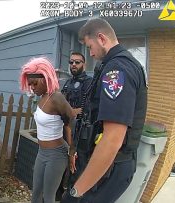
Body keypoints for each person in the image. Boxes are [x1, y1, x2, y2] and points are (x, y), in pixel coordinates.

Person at [61, 18, 148, 203]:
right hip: (103, 165)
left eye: (90, 46)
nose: (90, 53)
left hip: (110, 169)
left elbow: (112, 140)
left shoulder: (117, 69)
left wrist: (76, 192)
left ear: (101, 38)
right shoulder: (111, 65)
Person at [20, 57, 76, 203]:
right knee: (36, 194)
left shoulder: (56, 97)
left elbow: (72, 120)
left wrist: (72, 152)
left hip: (56, 154)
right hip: (42, 152)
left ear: (45, 78)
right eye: (30, 84)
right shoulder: (42, 96)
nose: (32, 87)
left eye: (35, 83)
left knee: (49, 196)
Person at [60, 52, 92, 191]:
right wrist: (71, 111)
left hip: (80, 131)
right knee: (62, 161)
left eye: (77, 62)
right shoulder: (68, 83)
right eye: (71, 62)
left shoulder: (89, 82)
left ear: (84, 64)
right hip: (65, 128)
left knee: (76, 166)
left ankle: (73, 194)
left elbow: (88, 108)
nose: (73, 64)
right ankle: (59, 192)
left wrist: (71, 111)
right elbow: (60, 105)